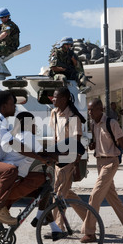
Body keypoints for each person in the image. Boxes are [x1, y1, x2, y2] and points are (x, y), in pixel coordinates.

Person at [0, 91, 54, 226]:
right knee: (10, 171)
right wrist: (39, 157)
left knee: (12, 179)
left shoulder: (2, 122)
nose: (15, 107)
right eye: (12, 104)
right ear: (4, 106)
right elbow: (12, 143)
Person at [81, 99, 123, 243]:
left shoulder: (111, 123)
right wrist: (93, 145)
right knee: (112, 197)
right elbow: (97, 142)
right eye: (88, 110)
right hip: (100, 162)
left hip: (111, 162)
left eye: (92, 110)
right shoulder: (93, 123)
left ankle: (89, 232)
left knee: (95, 195)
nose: (89, 113)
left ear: (100, 109)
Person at [2, 112, 65, 240]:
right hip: (15, 179)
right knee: (46, 181)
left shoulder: (18, 136)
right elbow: (43, 154)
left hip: (13, 177)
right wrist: (62, 158)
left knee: (42, 192)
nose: (36, 126)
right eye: (34, 123)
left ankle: (54, 228)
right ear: (28, 124)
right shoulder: (28, 136)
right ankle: (40, 215)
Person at [49, 87, 88, 226]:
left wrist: (75, 165)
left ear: (64, 99)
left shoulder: (72, 117)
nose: (53, 99)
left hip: (69, 158)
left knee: (59, 194)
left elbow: (76, 143)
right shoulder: (54, 113)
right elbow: (54, 136)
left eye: (55, 97)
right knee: (65, 192)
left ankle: (58, 228)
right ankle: (90, 219)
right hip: (58, 157)